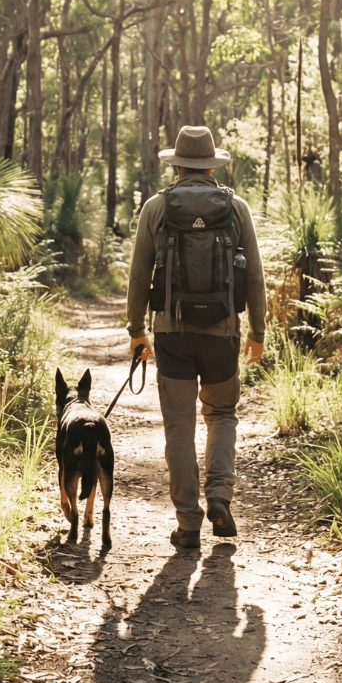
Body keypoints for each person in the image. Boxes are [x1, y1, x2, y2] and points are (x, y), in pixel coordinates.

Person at [126, 125, 267, 550]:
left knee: (179, 426)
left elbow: (139, 275)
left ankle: (188, 522)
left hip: (172, 332)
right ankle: (220, 495)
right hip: (223, 333)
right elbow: (255, 276)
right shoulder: (236, 207)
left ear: (178, 166)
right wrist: (257, 332)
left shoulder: (156, 207)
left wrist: (137, 330)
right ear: (211, 165)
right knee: (221, 414)